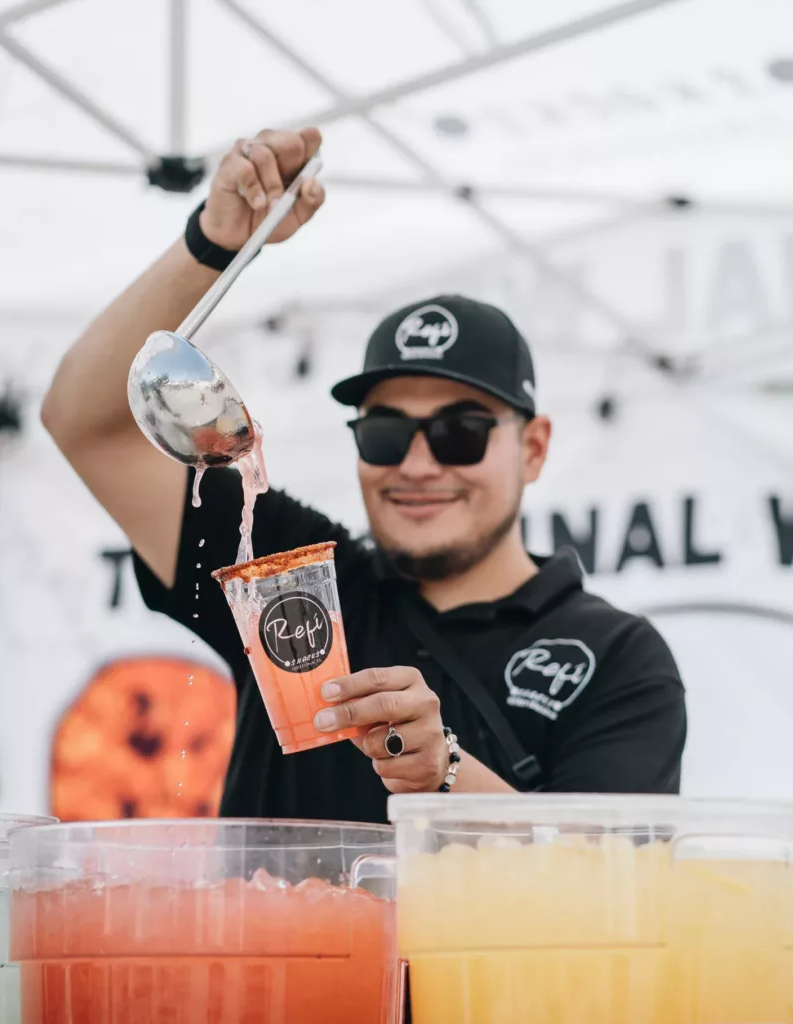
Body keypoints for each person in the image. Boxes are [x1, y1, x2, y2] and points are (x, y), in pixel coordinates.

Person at [42, 127, 686, 825]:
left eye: (458, 433)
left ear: (533, 448)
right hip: (265, 939)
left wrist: (445, 772)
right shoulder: (291, 572)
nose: (416, 463)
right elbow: (84, 421)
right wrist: (214, 245)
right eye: (384, 433)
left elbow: (614, 887)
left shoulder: (618, 656)